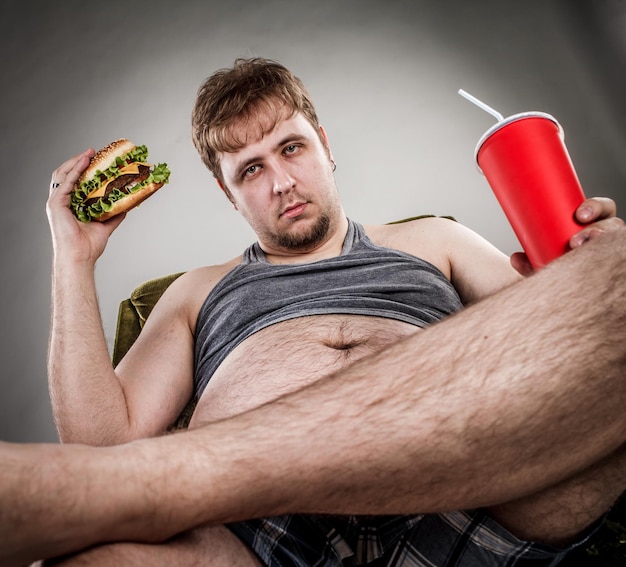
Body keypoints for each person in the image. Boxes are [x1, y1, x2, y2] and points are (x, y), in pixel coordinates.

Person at [26, 57, 624, 566]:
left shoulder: (437, 239)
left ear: (325, 146)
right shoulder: (194, 291)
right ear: (226, 192)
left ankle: (172, 479)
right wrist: (72, 258)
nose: (282, 181)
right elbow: (101, 447)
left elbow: (575, 351)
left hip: (459, 493)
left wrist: (584, 263)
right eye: (251, 169)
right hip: (258, 532)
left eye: (291, 148)